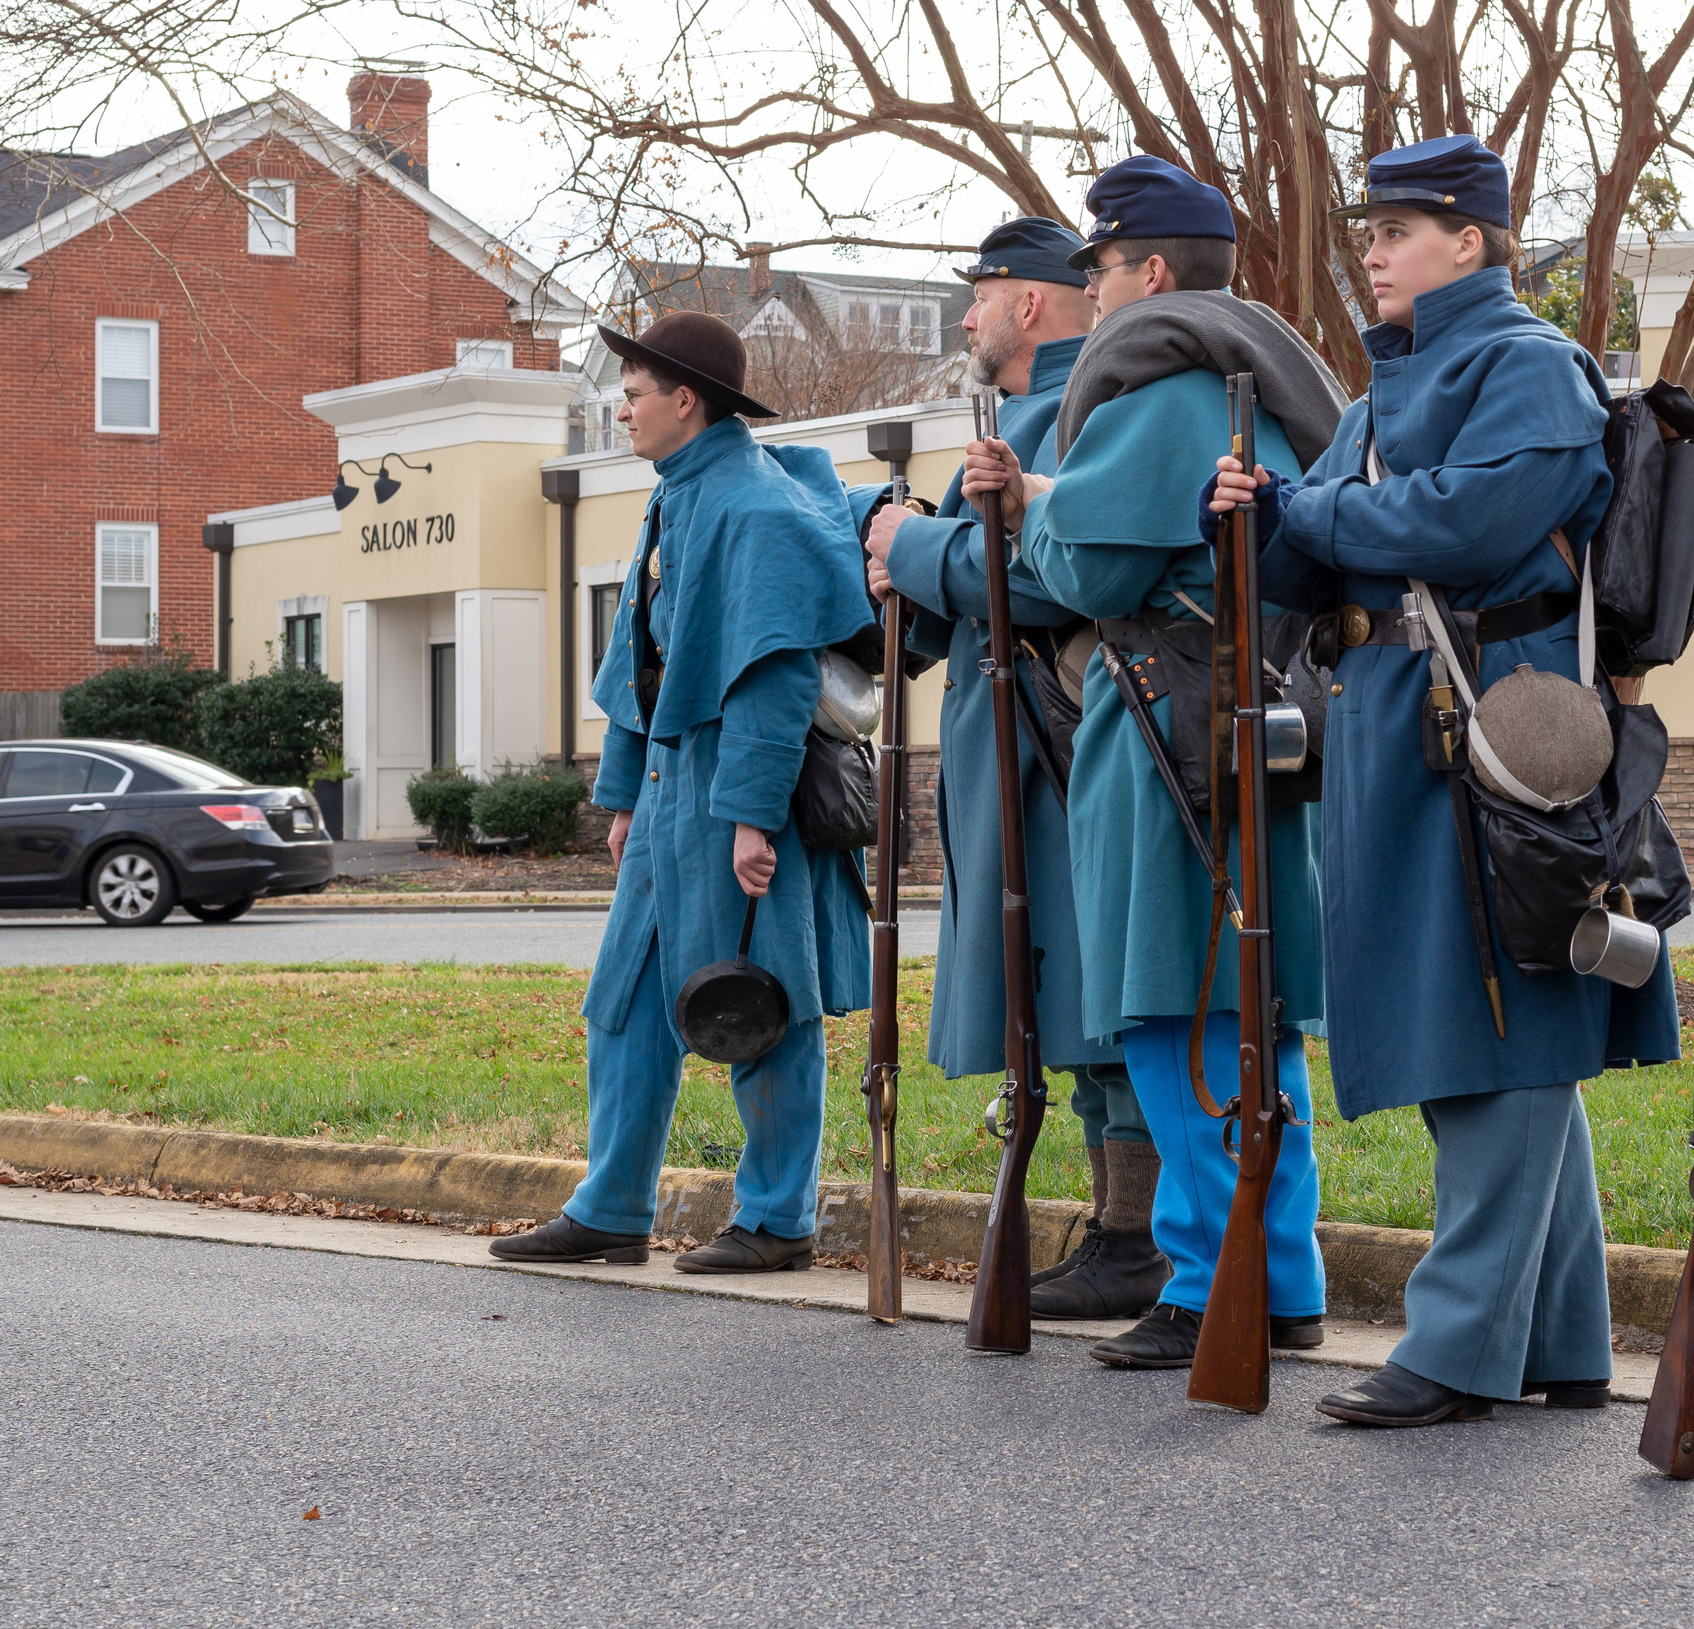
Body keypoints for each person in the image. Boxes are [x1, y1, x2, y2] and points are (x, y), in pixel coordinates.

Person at [1206, 134, 1678, 1427]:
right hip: (1400, 734)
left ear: (1470, 241)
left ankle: (1462, 1346)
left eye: (1399, 227)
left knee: (1502, 1027)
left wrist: (1303, 517)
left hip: (1495, 739)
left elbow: (1465, 522)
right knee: (1485, 1019)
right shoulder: (1379, 392)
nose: (1371, 246)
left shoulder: (1527, 367)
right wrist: (1243, 517)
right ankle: (1564, 1340)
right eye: (1373, 227)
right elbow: (1307, 560)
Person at [965, 155, 1345, 1372]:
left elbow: (1087, 575)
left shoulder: (1160, 379)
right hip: (1254, 710)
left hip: (1160, 715)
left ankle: (1205, 1274)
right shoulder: (1268, 370)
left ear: (1154, 271)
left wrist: (1032, 504)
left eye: (1104, 267)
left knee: (1169, 1014)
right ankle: (1277, 1274)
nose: (1096, 294)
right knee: (1249, 1013)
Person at [492, 310, 874, 1275]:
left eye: (631, 398)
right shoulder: (676, 496)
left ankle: (778, 1220)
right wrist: (622, 801)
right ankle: (613, 1206)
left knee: (759, 1004)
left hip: (739, 797)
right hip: (668, 796)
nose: (620, 413)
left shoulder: (756, 509)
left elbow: (776, 680)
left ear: (685, 401)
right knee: (621, 1002)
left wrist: (750, 820)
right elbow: (641, 664)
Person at [860, 215, 1168, 1320]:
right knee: (1063, 998)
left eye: (979, 294)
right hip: (1018, 741)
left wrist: (918, 551)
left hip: (1064, 739)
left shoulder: (1087, 411)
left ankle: (1134, 1236)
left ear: (1028, 303)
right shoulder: (1014, 420)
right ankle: (1116, 1231)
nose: (965, 316)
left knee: (1100, 994)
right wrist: (895, 555)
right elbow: (957, 599)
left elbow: (1058, 580)